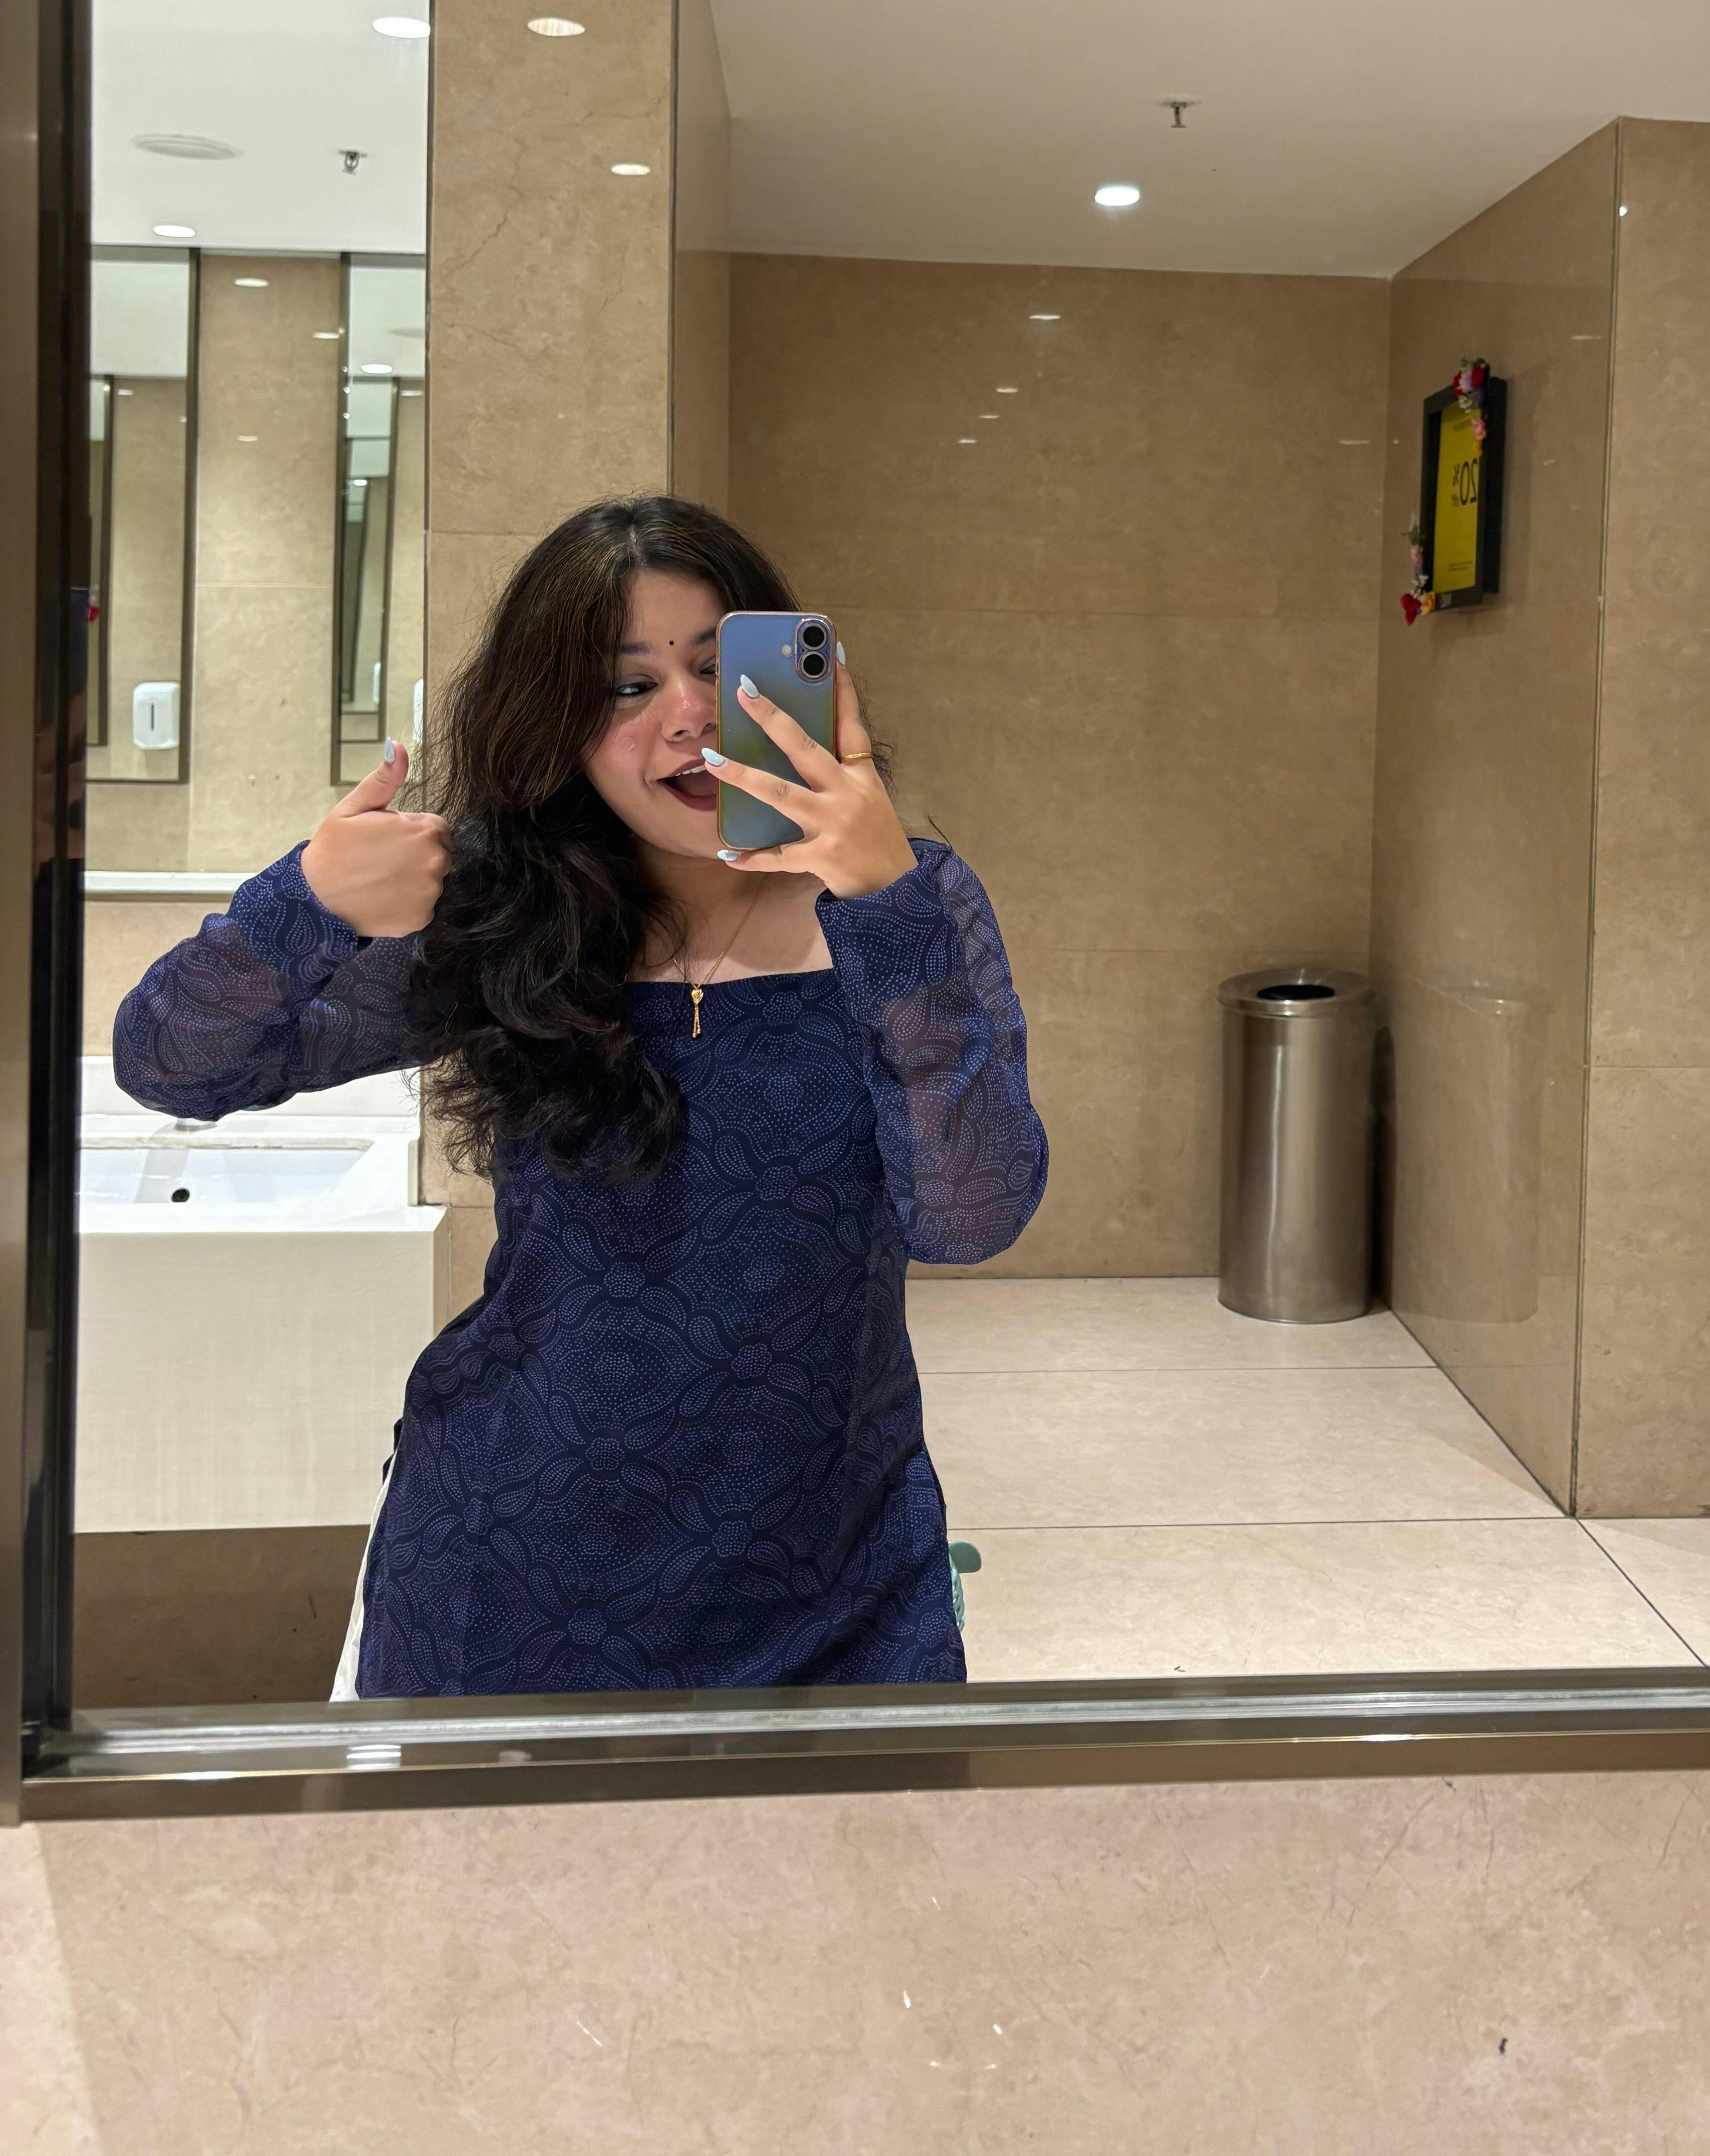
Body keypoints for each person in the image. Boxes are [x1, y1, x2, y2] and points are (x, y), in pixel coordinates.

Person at [111, 496, 1046, 1696]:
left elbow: (969, 1217)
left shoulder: (910, 906)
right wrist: (304, 902)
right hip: (507, 1578)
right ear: (558, 728)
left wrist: (881, 903)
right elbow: (171, 1064)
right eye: (627, 687)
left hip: (834, 1582)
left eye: (718, 670)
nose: (689, 715)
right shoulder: (506, 918)